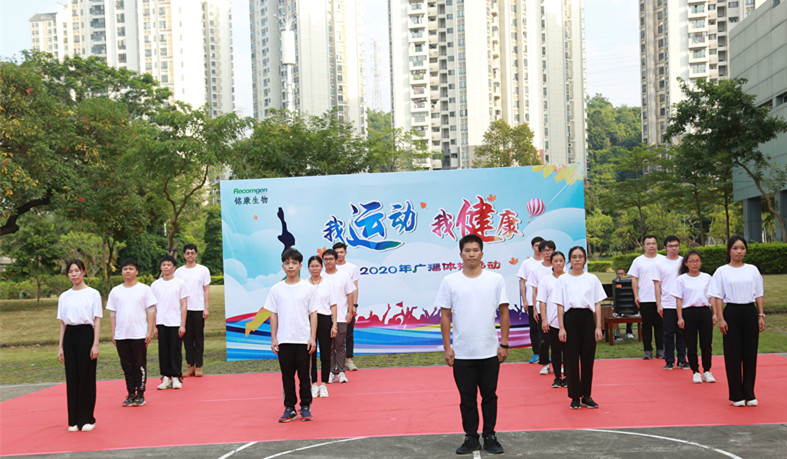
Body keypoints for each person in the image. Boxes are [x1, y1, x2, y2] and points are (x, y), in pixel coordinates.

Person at [438, 234, 509, 455]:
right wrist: (447, 347)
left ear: (482, 253)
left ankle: (490, 436)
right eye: (467, 250)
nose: (471, 254)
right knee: (467, 399)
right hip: (462, 353)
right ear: (461, 254)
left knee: (490, 396)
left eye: (475, 250)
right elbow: (445, 316)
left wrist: (504, 344)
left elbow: (504, 312)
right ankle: (470, 437)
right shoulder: (450, 281)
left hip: (489, 351)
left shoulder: (495, 279)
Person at [709, 236, 765, 407]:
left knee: (750, 354)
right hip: (731, 312)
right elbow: (717, 297)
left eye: (742, 248)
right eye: (735, 248)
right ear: (729, 250)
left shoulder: (752, 270)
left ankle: (749, 392)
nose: (739, 251)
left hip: (750, 312)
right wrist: (721, 318)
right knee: (733, 354)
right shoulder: (722, 271)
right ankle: (736, 394)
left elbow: (759, 294)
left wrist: (761, 315)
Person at [264, 248, 318, 422]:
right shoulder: (276, 289)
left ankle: (305, 406)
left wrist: (312, 337)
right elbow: (273, 315)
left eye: (294, 263)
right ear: (283, 266)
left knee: (304, 376)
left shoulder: (308, 288)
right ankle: (290, 407)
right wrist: (274, 338)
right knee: (287, 376)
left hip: (303, 339)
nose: (291, 266)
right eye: (287, 263)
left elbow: (313, 314)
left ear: (300, 266)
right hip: (284, 339)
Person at [556, 246, 605, 410]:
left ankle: (586, 395)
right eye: (574, 257)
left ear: (585, 259)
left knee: (587, 358)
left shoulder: (592, 278)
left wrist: (598, 327)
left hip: (587, 319)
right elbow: (560, 305)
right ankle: (574, 396)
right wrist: (561, 328)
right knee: (570, 359)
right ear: (569, 260)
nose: (577, 259)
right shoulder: (563, 279)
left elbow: (597, 304)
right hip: (570, 319)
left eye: (580, 257)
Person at [57, 259, 102, 432]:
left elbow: (97, 320)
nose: (74, 274)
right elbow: (62, 323)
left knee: (86, 377)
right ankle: (74, 420)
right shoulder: (64, 296)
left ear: (83, 271)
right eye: (70, 271)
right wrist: (60, 346)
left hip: (86, 334)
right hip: (70, 335)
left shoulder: (93, 294)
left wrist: (95, 344)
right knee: (72, 377)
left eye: (77, 270)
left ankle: (87, 418)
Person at [107, 259, 157, 407]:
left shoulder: (144, 289)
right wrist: (113, 333)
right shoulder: (116, 291)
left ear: (136, 271)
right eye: (125, 269)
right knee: (127, 366)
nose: (127, 271)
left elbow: (151, 311)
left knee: (139, 365)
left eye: (131, 268)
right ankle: (130, 393)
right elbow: (113, 314)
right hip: (121, 334)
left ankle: (140, 393)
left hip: (139, 334)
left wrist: (149, 331)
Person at [670, 250, 716, 384]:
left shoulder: (707, 278)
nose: (694, 264)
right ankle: (695, 371)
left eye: (697, 261)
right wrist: (680, 317)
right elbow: (678, 299)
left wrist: (715, 313)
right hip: (688, 312)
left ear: (701, 262)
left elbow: (712, 297)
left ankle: (707, 370)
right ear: (686, 263)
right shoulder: (681, 279)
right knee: (691, 344)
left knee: (706, 343)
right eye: (691, 261)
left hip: (704, 311)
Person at [151, 255, 189, 390]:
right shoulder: (155, 285)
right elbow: (152, 307)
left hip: (175, 322)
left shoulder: (180, 283)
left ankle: (176, 377)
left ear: (174, 267)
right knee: (163, 351)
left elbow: (184, 304)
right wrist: (153, 326)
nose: (166, 267)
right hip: (161, 322)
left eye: (168, 265)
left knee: (175, 350)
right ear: (161, 267)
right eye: (163, 265)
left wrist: (182, 324)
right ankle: (166, 377)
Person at [175, 244, 211, 377]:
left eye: (192, 253)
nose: (190, 255)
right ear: (184, 255)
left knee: (198, 338)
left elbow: (206, 289)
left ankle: (199, 366)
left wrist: (206, 307)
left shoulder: (203, 270)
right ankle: (190, 365)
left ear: (196, 254)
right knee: (187, 339)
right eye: (187, 253)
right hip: (184, 309)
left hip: (198, 308)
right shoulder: (179, 272)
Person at [653, 235, 688, 370]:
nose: (674, 248)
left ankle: (682, 359)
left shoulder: (684, 262)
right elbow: (657, 285)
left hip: (683, 303)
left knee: (682, 333)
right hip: (667, 303)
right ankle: (669, 360)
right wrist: (659, 304)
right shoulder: (659, 264)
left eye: (676, 245)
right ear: (665, 247)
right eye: (671, 246)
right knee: (668, 333)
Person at [321, 249, 355, 383]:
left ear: (336, 260)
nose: (328, 261)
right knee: (328, 346)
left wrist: (349, 312)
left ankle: (341, 372)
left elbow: (350, 294)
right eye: (325, 259)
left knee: (340, 345)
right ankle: (330, 372)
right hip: (325, 316)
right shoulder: (320, 276)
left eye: (330, 259)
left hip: (341, 316)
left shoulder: (344, 275)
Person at [628, 235, 665, 360]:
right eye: (648, 244)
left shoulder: (663, 260)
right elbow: (634, 279)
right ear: (644, 246)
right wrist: (636, 295)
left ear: (657, 245)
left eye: (653, 243)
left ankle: (660, 350)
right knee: (646, 325)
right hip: (645, 298)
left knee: (660, 325)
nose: (651, 246)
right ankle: (647, 350)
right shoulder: (638, 261)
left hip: (661, 298)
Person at [306, 255, 338, 398]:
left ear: (321, 267)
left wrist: (334, 325)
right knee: (310, 354)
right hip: (308, 321)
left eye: (317, 266)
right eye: (312, 266)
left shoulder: (328, 283)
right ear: (308, 268)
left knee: (325, 354)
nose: (315, 269)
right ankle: (313, 384)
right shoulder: (304, 284)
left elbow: (333, 305)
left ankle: (324, 384)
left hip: (325, 319)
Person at [526, 240, 555, 376]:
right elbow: (534, 291)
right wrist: (535, 309)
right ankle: (545, 364)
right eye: (545, 250)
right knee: (543, 338)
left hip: (556, 308)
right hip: (541, 308)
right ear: (541, 252)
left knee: (558, 339)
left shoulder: (560, 268)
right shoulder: (536, 270)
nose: (547, 253)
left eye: (550, 250)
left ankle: (559, 363)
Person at [538, 251, 566, 389]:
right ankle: (557, 378)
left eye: (561, 261)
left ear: (565, 262)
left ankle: (568, 376)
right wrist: (544, 320)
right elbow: (542, 301)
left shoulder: (569, 278)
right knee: (555, 350)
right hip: (553, 321)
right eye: (556, 261)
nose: (558, 263)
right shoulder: (545, 280)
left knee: (568, 351)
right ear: (552, 263)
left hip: (568, 320)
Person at [516, 236, 544, 364]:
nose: (538, 248)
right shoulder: (527, 263)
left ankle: (546, 353)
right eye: (536, 245)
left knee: (546, 328)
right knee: (534, 327)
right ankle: (536, 353)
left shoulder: (548, 262)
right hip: (532, 301)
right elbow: (522, 282)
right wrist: (524, 300)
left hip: (546, 301)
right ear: (532, 247)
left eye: (541, 245)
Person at [333, 242, 361, 371]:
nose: (339, 254)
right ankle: (335, 362)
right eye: (337, 252)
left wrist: (354, 305)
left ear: (346, 253)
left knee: (348, 333)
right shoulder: (329, 268)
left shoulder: (352, 268)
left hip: (348, 305)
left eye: (341, 252)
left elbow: (355, 288)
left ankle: (349, 360)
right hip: (333, 306)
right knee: (334, 334)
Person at [615, 268, 635, 340]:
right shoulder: (615, 283)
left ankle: (629, 332)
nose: (620, 275)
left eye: (621, 274)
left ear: (625, 274)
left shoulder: (630, 283)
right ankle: (615, 332)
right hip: (617, 304)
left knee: (630, 313)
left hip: (627, 304)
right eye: (618, 274)